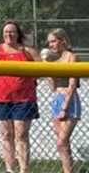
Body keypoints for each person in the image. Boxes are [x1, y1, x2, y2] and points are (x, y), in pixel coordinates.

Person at [0, 20, 41, 173]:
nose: (9, 35)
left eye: (12, 32)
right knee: (6, 134)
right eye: (6, 32)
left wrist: (31, 79)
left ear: (18, 34)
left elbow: (42, 68)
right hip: (0, 97)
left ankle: (24, 169)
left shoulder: (28, 51)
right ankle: (9, 169)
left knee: (21, 134)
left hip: (24, 98)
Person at [44, 28, 79, 173]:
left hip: (69, 100)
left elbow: (73, 84)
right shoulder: (53, 58)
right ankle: (68, 170)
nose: (51, 45)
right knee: (64, 144)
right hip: (57, 98)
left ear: (62, 40)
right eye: (49, 42)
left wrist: (65, 106)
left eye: (53, 41)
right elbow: (52, 87)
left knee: (61, 142)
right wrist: (47, 68)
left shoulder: (71, 57)